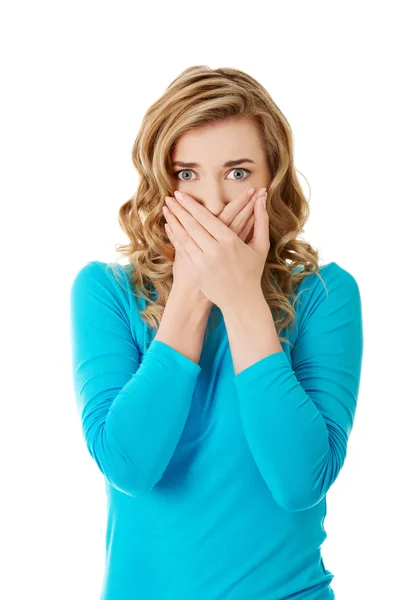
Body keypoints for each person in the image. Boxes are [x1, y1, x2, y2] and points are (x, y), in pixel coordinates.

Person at [69, 65, 363, 600]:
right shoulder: (106, 292)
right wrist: (192, 293)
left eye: (237, 172)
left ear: (271, 180)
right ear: (161, 182)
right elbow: (129, 466)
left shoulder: (324, 294)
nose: (212, 201)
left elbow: (300, 482)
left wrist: (243, 297)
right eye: (187, 174)